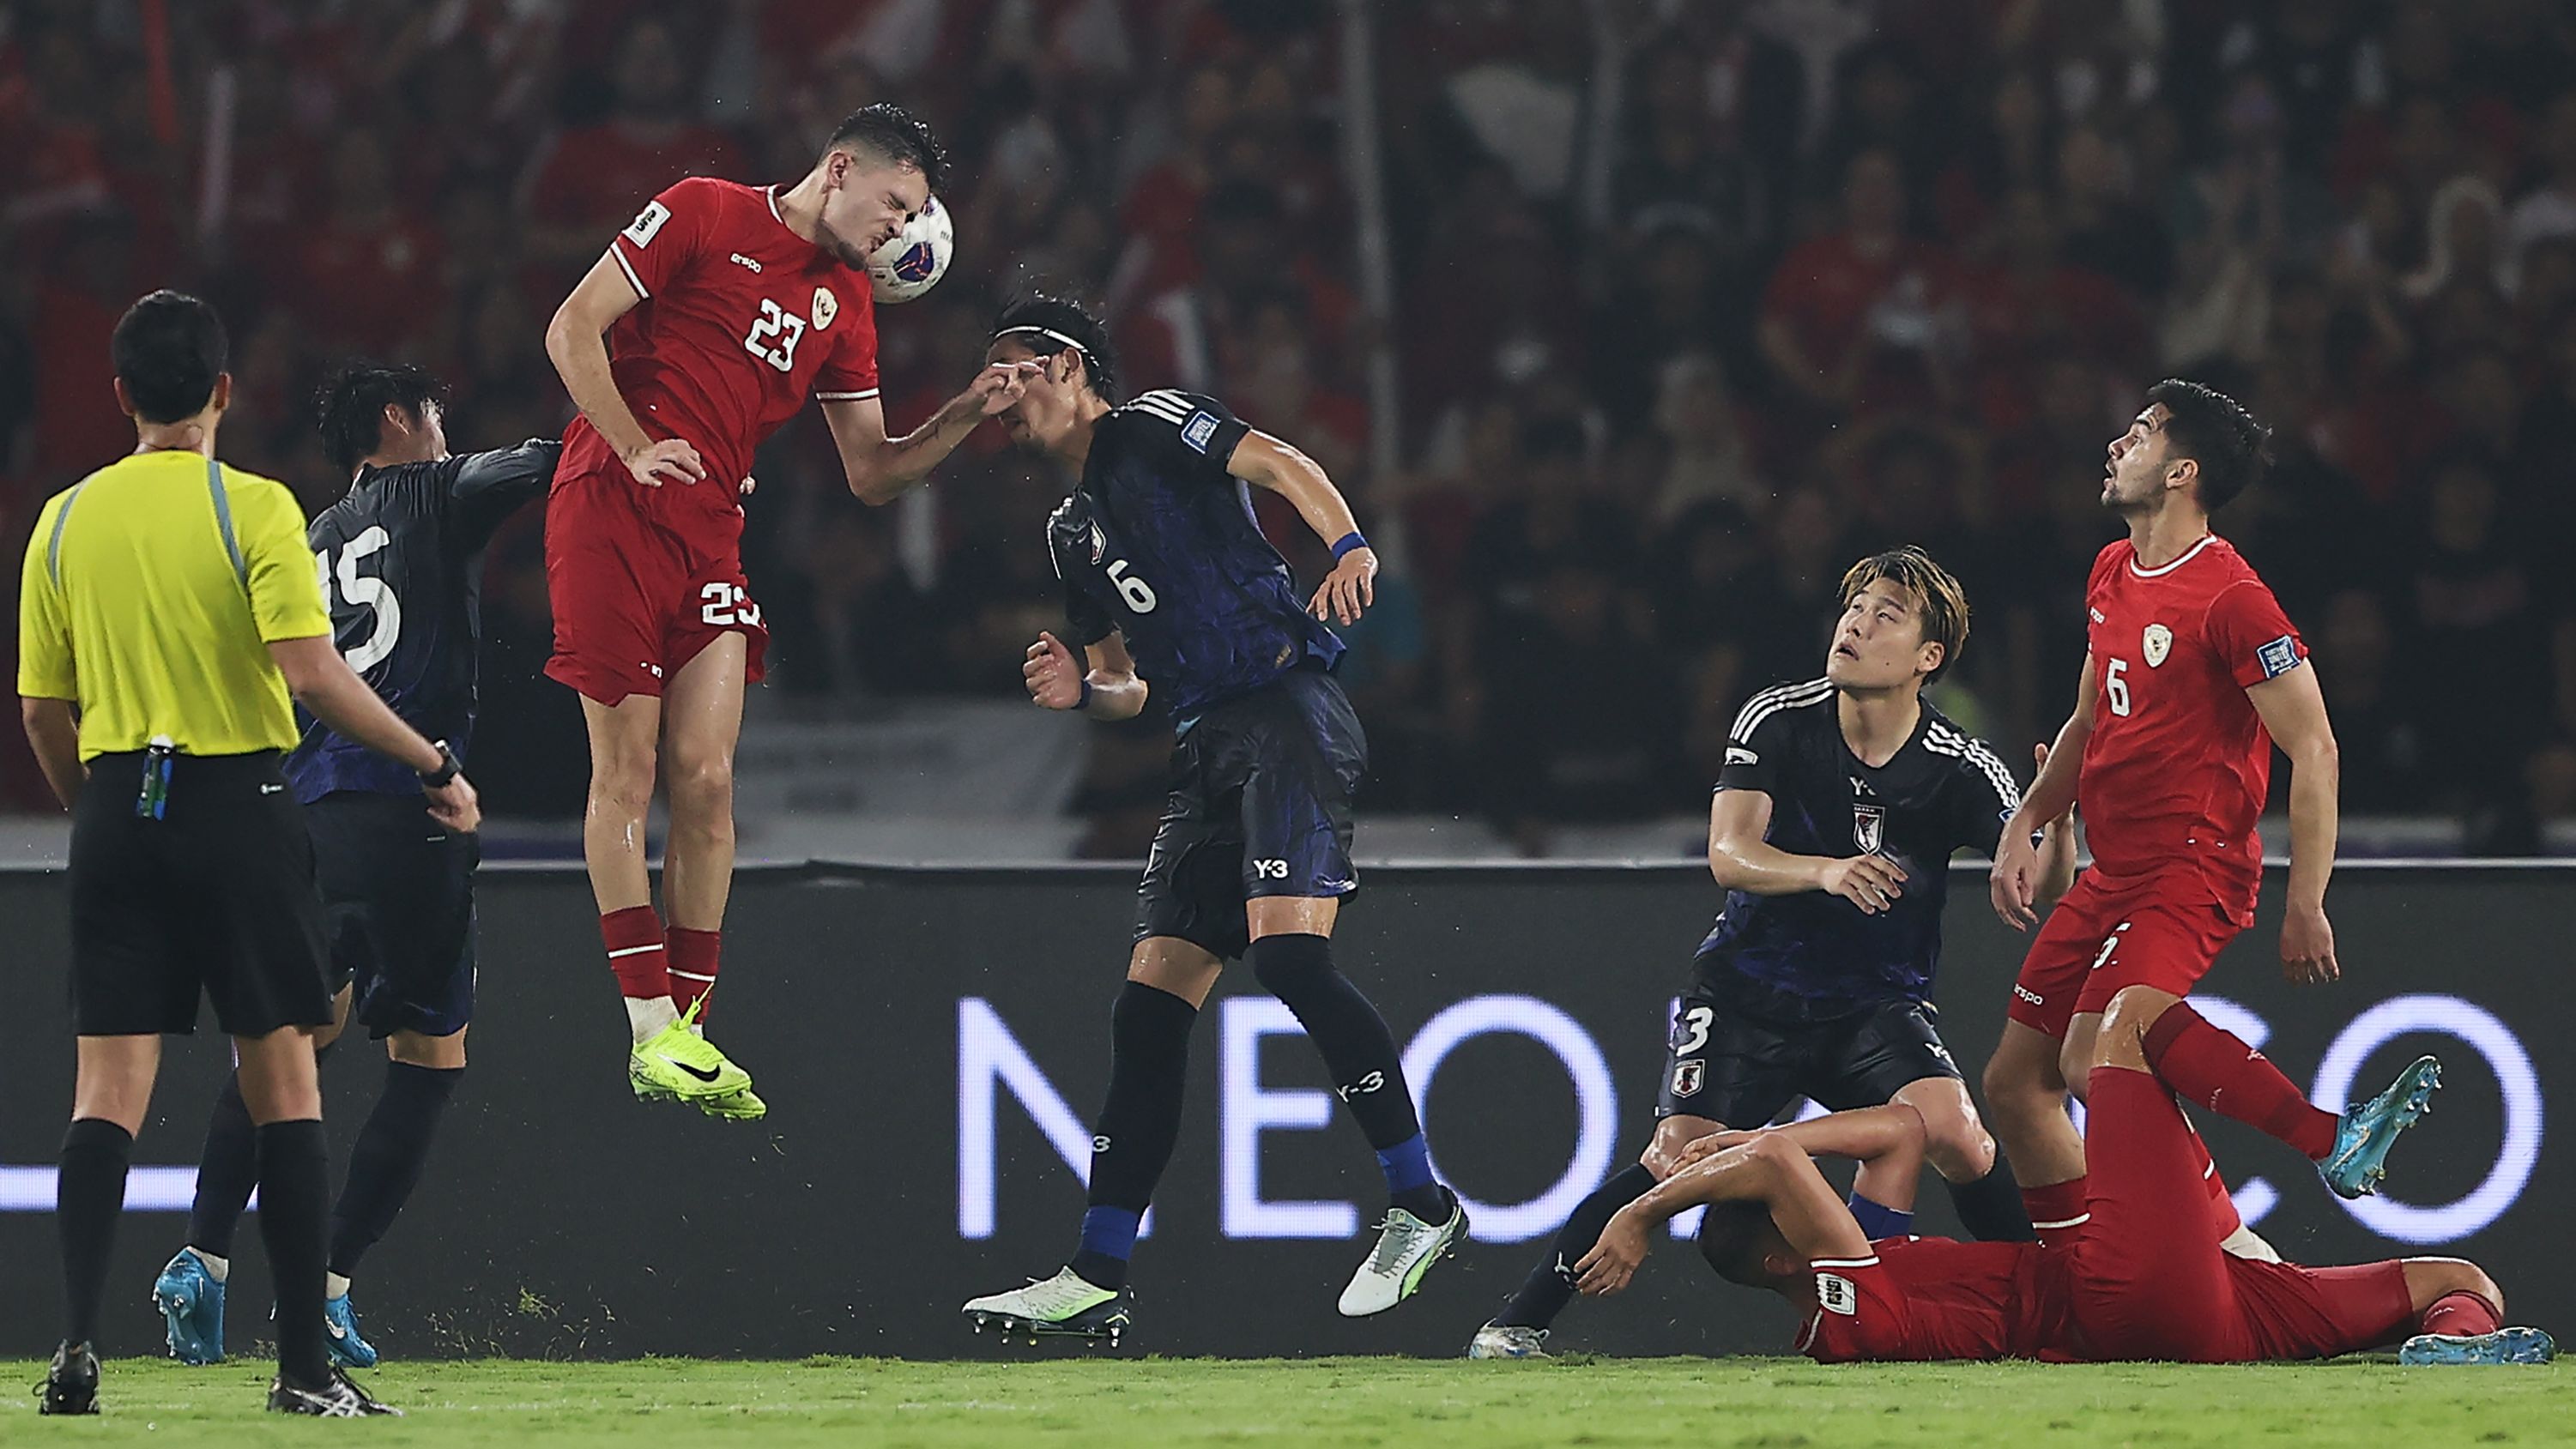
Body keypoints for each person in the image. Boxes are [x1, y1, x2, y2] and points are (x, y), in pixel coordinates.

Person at [958, 295, 1465, 1343]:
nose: (995, 397)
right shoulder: (1070, 531)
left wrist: (1350, 545)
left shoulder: (1149, 423)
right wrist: (1078, 695)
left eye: (1009, 371)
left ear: (1063, 364)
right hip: (1203, 746)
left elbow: (1278, 461)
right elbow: (1123, 684)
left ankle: (1420, 1202)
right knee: (1145, 1013)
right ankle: (1096, 1270)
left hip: (1285, 711)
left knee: (1286, 962)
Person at [21, 292, 477, 1417]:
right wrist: (430, 761)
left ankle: (77, 1351)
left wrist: (99, 804)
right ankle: (303, 1375)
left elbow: (40, 709)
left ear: (121, 393)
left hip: (121, 802)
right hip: (241, 803)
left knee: (105, 1094)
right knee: (285, 1081)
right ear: (223, 392)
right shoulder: (257, 511)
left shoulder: (63, 522)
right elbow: (314, 673)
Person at [541, 104, 1031, 1116]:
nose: (897, 231)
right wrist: (634, 445)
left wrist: (962, 415)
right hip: (611, 502)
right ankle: (645, 1026)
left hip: (711, 528)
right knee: (627, 772)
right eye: (894, 207)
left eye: (911, 220)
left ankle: (689, 1033)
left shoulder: (846, 304)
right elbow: (570, 328)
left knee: (709, 782)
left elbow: (872, 474)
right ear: (841, 168)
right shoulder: (703, 212)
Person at [1469, 547, 2075, 1359]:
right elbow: (1729, 853)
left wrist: (2058, 820)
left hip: (1873, 1003)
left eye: (1885, 615)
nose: (1857, 624)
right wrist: (1826, 870)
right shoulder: (1779, 718)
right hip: (1751, 989)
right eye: (1854, 608)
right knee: (1677, 1155)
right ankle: (1516, 1323)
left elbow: (2045, 881)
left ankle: (2052, 1306)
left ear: (1929, 658)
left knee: (1958, 1131)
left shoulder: (1957, 766)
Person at [151, 364, 555, 1371]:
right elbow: (554, 462)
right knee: (429, 1059)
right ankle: (326, 1290)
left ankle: (200, 1256)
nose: (445, 429)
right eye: (436, 413)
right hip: (410, 809)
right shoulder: (445, 487)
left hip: (306, 812)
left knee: (292, 1041)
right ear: (398, 419)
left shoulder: (313, 533)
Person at [1571, 983, 2551, 1367]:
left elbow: (1903, 1130)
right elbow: (1786, 1158)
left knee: (2457, 1283)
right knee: (2126, 1022)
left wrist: (1728, 1141)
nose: (1825, 1205)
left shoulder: (1876, 1258)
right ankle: (2321, 1136)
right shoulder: (1842, 1309)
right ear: (1786, 1253)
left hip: (2217, 1308)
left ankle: (2452, 1353)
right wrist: (1646, 1213)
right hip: (2120, 1295)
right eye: (1799, 1211)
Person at [1983, 378, 2341, 1255]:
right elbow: (2086, 716)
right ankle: (2080, 1263)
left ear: (2180, 471)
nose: (2116, 445)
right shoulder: (2111, 569)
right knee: (2012, 1082)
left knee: (2086, 1061)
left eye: (2138, 435)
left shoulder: (2229, 598)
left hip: (2191, 864)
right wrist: (2027, 817)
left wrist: (2306, 899)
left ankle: (2242, 1248)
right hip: (2111, 868)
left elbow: (2316, 746)